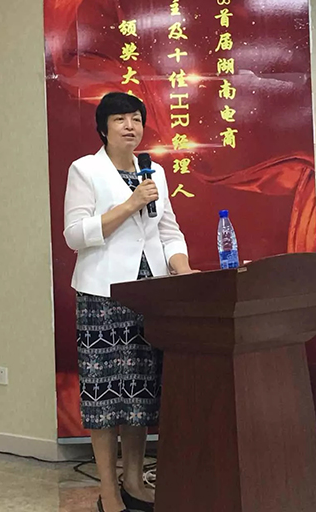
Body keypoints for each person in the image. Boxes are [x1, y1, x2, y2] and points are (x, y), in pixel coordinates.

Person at [64, 92, 196, 512]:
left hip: (148, 295)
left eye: (136, 119)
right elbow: (75, 234)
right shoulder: (85, 169)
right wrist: (130, 204)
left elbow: (168, 230)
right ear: (103, 128)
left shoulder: (153, 170)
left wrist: (182, 268)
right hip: (103, 295)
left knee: (139, 394)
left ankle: (134, 482)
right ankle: (108, 491)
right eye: (120, 119)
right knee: (105, 398)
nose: (130, 126)